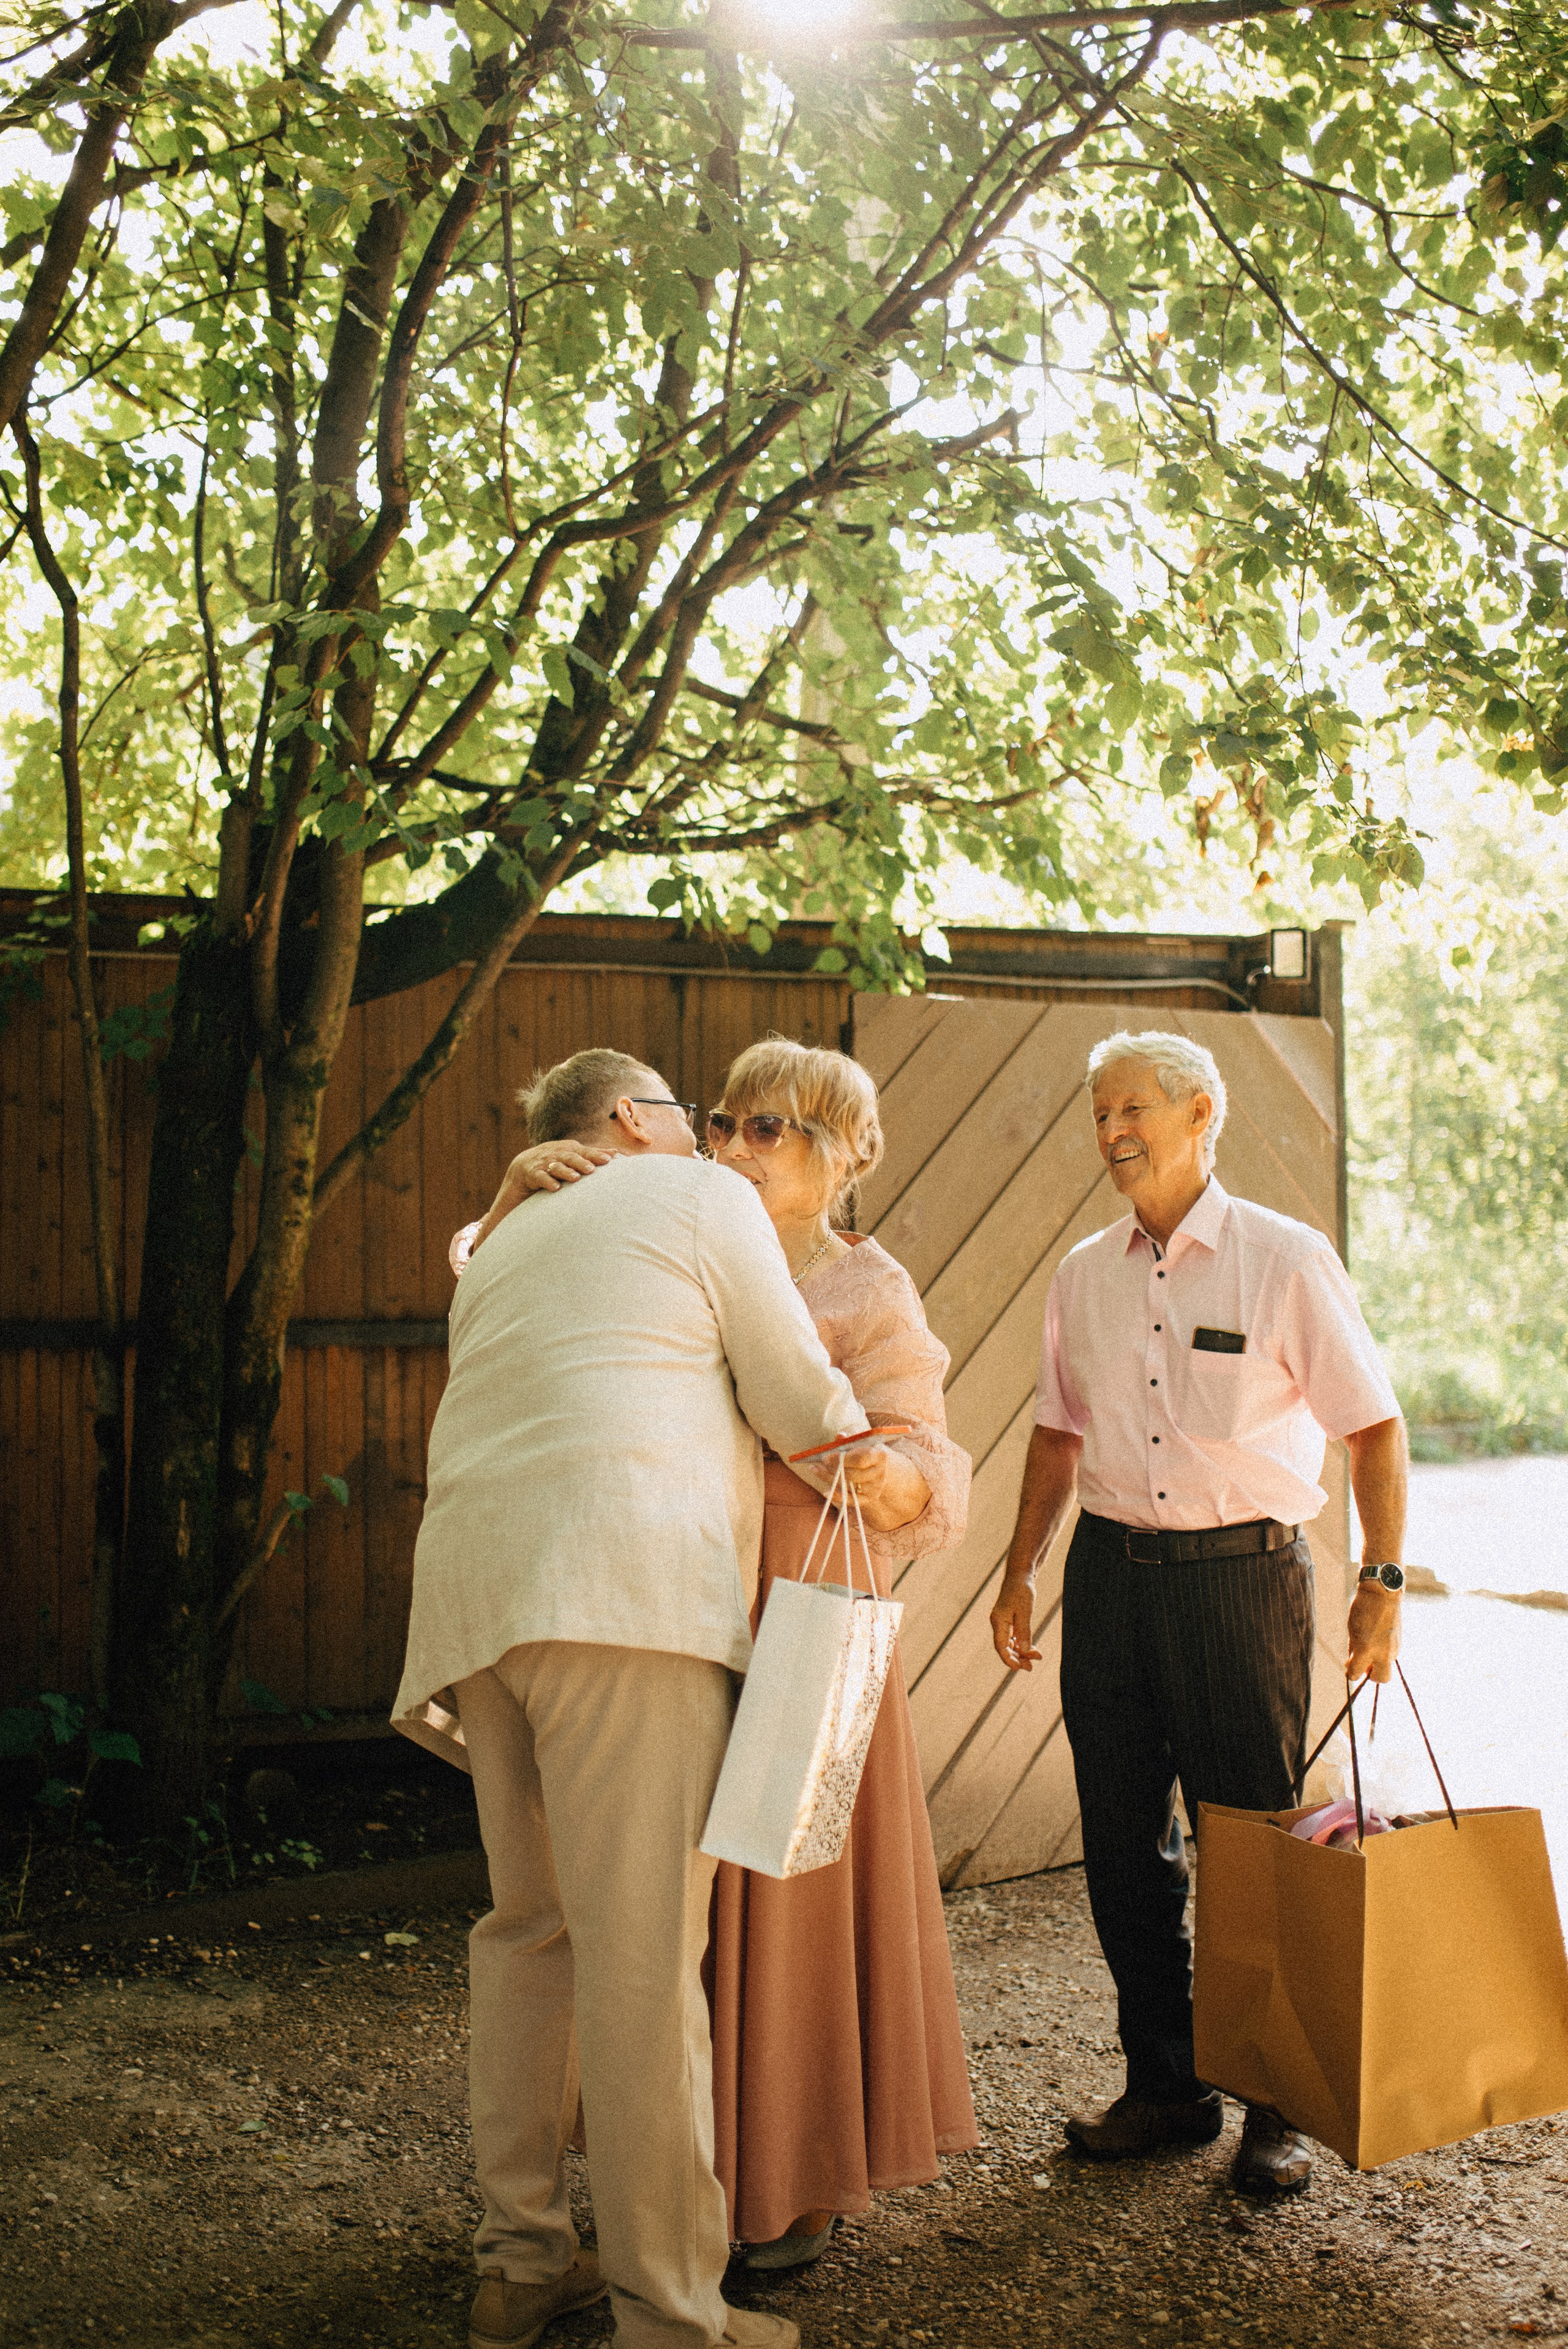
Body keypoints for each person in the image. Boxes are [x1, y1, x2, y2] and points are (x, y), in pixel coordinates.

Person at [394, 1046, 902, 2349]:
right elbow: (791, 1392)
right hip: (624, 1595)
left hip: (474, 1604)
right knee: (638, 1966)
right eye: (700, 1116)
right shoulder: (699, 1198)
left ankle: (517, 2263)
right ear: (636, 1119)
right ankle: (673, 2310)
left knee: (529, 1934)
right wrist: (885, 1460)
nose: (725, 1139)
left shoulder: (505, 1240)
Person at [989, 1030, 1407, 2200]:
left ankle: (1270, 2109)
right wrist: (1021, 1567)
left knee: (1252, 1850)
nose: (1113, 1129)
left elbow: (1373, 1425)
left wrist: (1383, 1583)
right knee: (1125, 1845)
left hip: (1243, 1584)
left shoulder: (1283, 1258)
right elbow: (1057, 1432)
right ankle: (1165, 2088)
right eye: (1099, 1112)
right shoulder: (1084, 1273)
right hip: (1113, 1584)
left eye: (1132, 1107)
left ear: (1200, 1111)